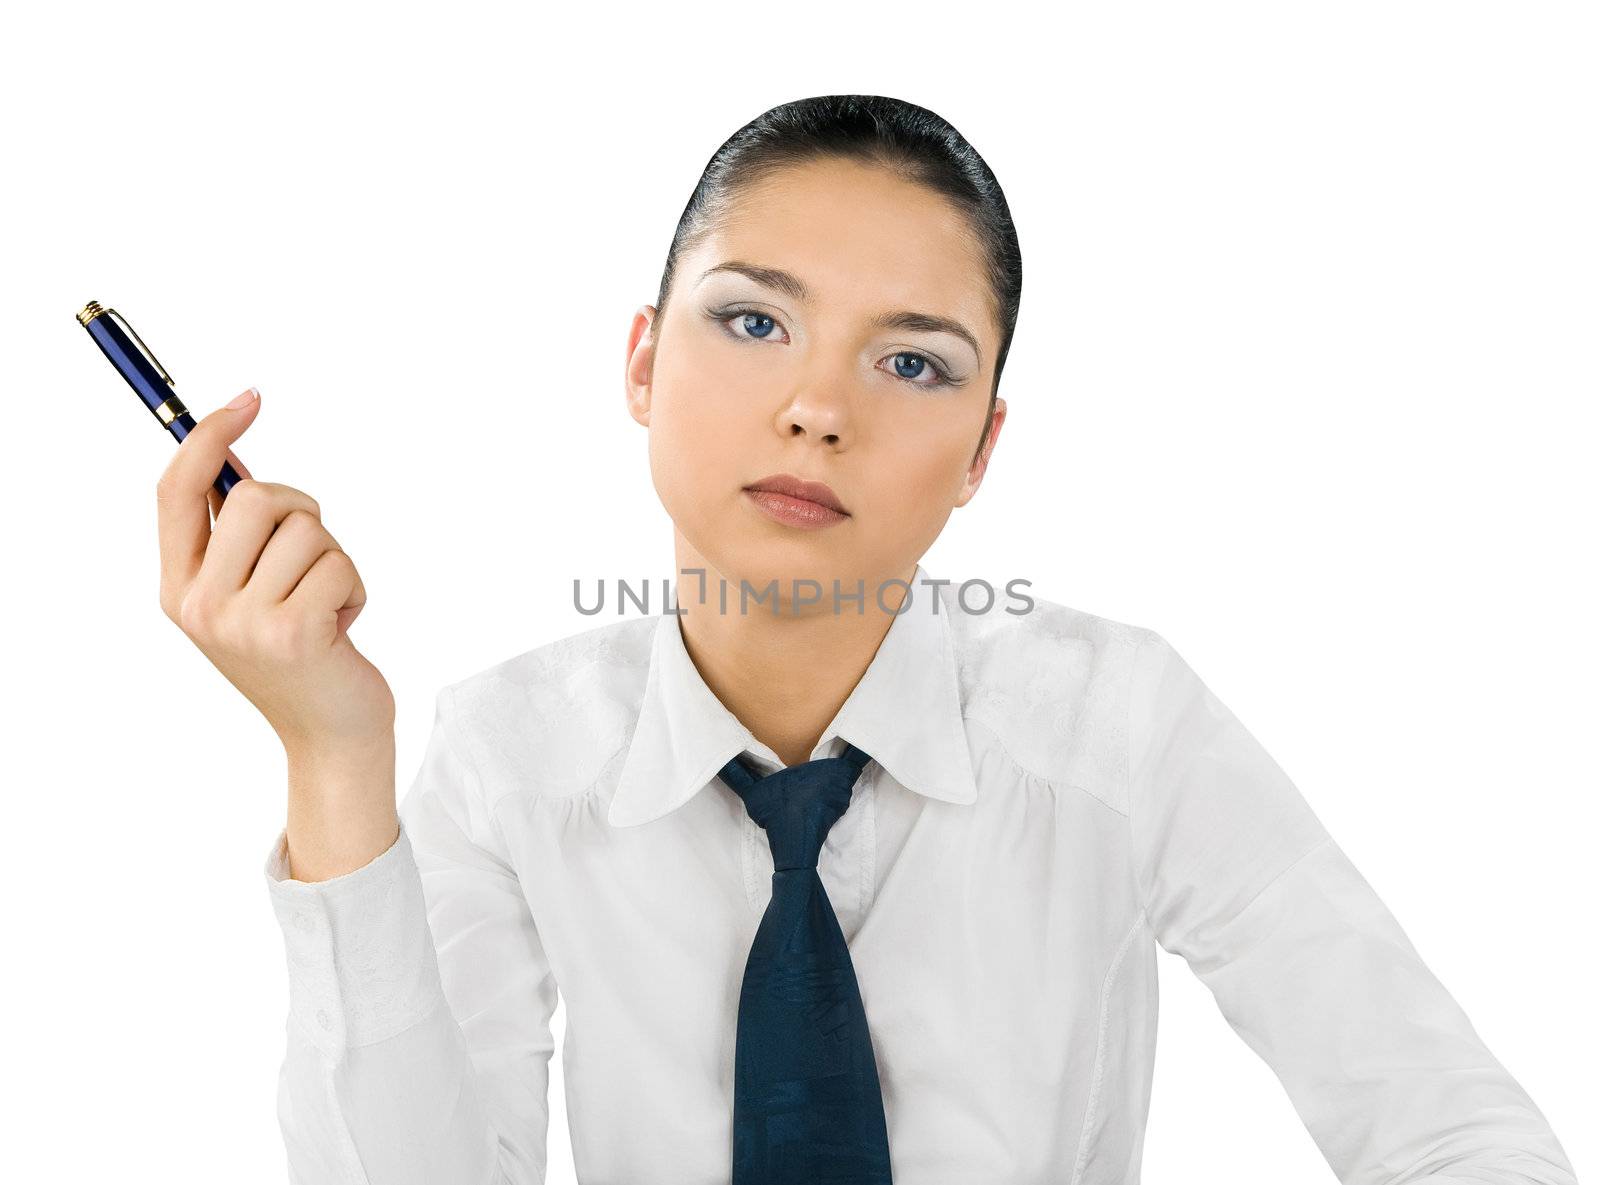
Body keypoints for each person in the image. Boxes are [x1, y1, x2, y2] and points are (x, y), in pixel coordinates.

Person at [156, 95, 1577, 1184]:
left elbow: (1448, 1129)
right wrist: (332, 756)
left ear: (980, 451)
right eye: (755, 320)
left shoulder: (1118, 727)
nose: (817, 406)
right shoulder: (511, 758)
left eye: (912, 362)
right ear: (642, 364)